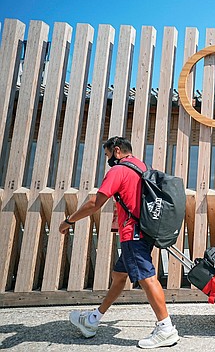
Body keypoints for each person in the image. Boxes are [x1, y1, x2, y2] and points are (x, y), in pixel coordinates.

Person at [59, 136, 180, 349]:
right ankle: (92, 320)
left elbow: (95, 203)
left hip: (132, 233)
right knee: (119, 276)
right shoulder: (141, 166)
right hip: (144, 231)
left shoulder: (118, 170)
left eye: (107, 155)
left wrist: (69, 221)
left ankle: (166, 329)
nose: (108, 160)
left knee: (147, 277)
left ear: (116, 151)